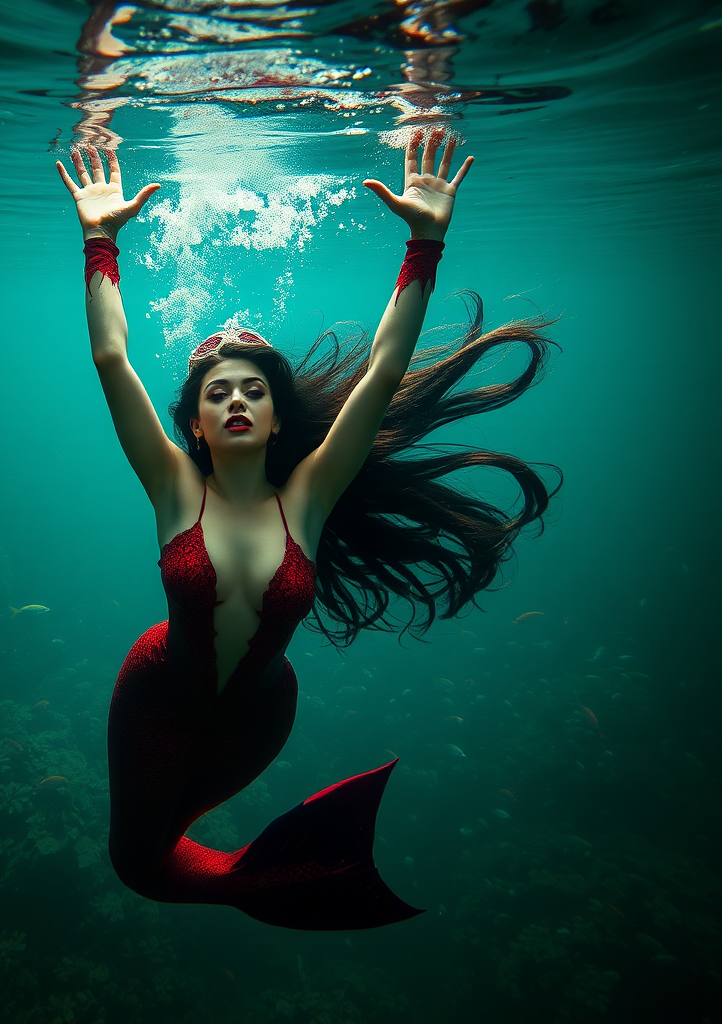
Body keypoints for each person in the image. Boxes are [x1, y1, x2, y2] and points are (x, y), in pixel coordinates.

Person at [55, 133, 558, 930]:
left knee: (159, 857)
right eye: (216, 393)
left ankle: (308, 870)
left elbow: (386, 371)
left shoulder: (313, 496)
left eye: (253, 389)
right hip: (158, 697)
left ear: (277, 411)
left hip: (259, 714)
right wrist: (100, 239)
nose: (237, 401)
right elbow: (112, 359)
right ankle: (291, 876)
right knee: (137, 866)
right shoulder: (172, 486)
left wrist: (425, 242)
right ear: (192, 424)